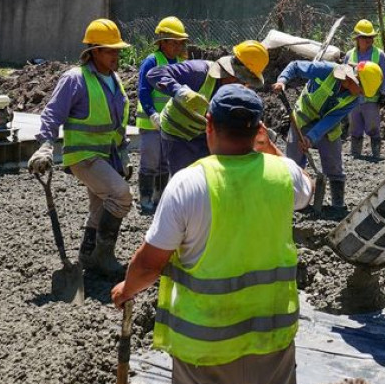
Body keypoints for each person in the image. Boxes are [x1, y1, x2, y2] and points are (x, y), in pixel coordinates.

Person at [112, 85, 313, 384]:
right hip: (269, 341)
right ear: (257, 128)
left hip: (204, 347)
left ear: (209, 126)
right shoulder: (282, 175)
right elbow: (308, 185)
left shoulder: (189, 184)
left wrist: (126, 289)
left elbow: (151, 262)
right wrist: (269, 146)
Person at [28, 18, 134, 276]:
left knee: (100, 206)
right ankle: (104, 256)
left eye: (118, 50)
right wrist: (45, 146)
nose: (116, 55)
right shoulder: (75, 79)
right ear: (94, 51)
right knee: (121, 196)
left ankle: (87, 256)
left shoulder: (114, 79)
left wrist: (123, 155)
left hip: (106, 156)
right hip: (84, 156)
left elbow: (116, 123)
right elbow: (53, 114)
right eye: (110, 50)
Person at [147, 40, 269, 183]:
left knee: (210, 179)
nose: (243, 85)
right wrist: (179, 92)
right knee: (185, 181)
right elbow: (155, 73)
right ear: (232, 72)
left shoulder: (237, 89)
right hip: (177, 133)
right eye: (242, 80)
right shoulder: (199, 72)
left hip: (203, 135)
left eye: (247, 82)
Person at [272, 58, 382, 212]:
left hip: (328, 127)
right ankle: (292, 201)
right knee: (293, 163)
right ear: (354, 80)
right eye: (362, 90)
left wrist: (311, 138)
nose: (362, 95)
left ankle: (337, 206)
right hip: (302, 119)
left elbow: (331, 119)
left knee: (334, 165)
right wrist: (282, 81)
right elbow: (295, 66)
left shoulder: (354, 99)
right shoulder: (328, 70)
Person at [136, 16, 189, 215]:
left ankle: (160, 198)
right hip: (151, 123)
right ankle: (146, 199)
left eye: (180, 42)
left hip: (170, 123)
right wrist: (152, 113)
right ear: (163, 42)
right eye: (174, 42)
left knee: (165, 162)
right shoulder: (152, 61)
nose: (178, 46)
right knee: (150, 162)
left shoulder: (181, 63)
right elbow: (143, 90)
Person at [345, 19, 385, 159]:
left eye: (371, 37)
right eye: (365, 37)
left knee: (373, 127)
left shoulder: (379, 54)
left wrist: (384, 93)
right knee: (355, 128)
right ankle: (355, 154)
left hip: (372, 99)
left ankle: (376, 154)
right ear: (357, 38)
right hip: (354, 99)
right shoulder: (350, 55)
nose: (369, 40)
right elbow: (344, 75)